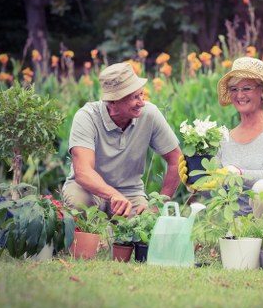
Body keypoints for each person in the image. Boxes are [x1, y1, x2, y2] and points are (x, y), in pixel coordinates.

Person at [181, 57, 263, 219]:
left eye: (246, 88)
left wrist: (238, 173)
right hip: (245, 220)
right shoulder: (223, 139)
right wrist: (196, 182)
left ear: (262, 90)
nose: (239, 95)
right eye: (234, 89)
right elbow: (219, 193)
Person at [62, 62, 182, 219]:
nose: (142, 102)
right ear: (113, 102)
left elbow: (176, 160)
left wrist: (158, 206)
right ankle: (82, 244)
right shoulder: (87, 117)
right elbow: (83, 172)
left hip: (130, 193)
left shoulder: (149, 114)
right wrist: (113, 194)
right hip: (87, 190)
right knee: (79, 205)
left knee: (146, 225)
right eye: (134, 97)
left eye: (142, 94)